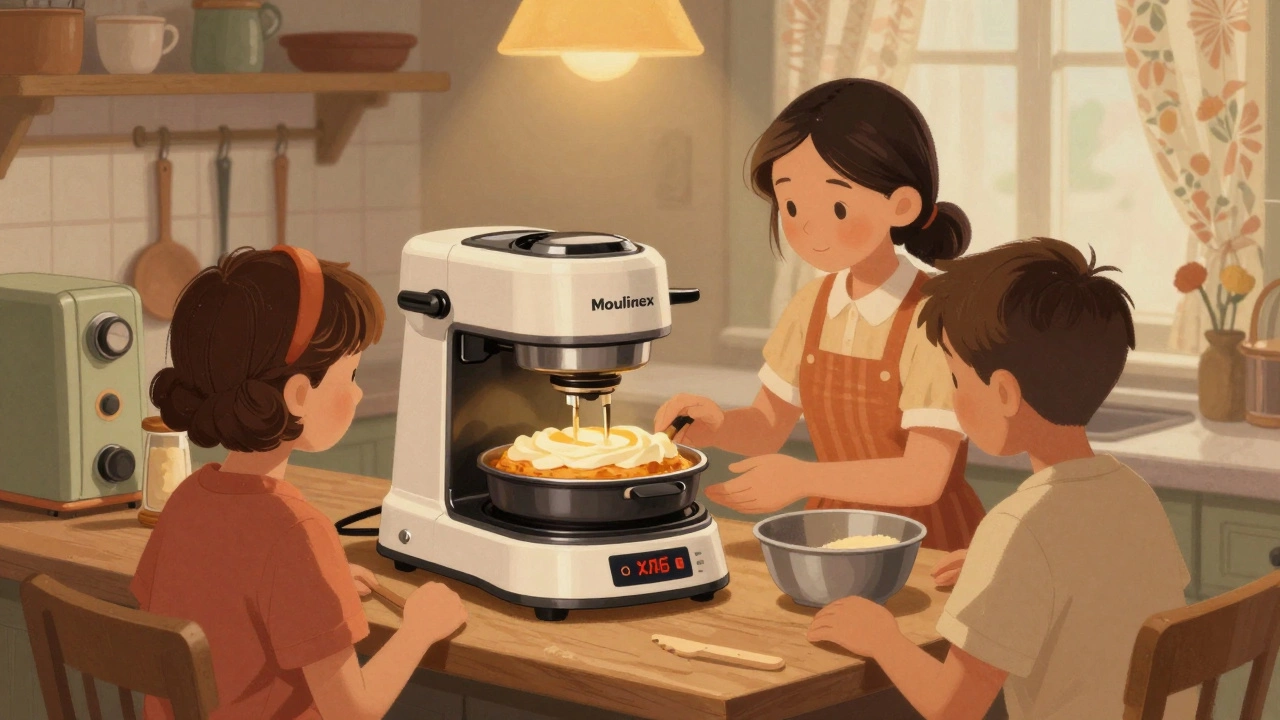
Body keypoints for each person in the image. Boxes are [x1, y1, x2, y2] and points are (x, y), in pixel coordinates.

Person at [806, 238, 1195, 719]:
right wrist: (1006, 573)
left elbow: (951, 708)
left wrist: (881, 638)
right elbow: (1098, 589)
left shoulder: (1018, 528)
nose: (952, 399)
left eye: (955, 378)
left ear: (1005, 392)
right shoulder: (1131, 492)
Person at [131, 247, 468, 720]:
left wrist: (315, 591)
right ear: (298, 394)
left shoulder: (188, 499)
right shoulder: (296, 534)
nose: (357, 392)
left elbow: (216, 599)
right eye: (349, 374)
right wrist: (420, 628)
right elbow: (356, 712)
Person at [654, 77, 985, 551]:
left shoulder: (935, 315)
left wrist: (802, 477)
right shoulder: (811, 304)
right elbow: (768, 428)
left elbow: (923, 477)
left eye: (835, 203)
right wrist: (720, 426)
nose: (807, 224)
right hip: (833, 534)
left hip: (927, 541)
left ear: (902, 204)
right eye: (791, 203)